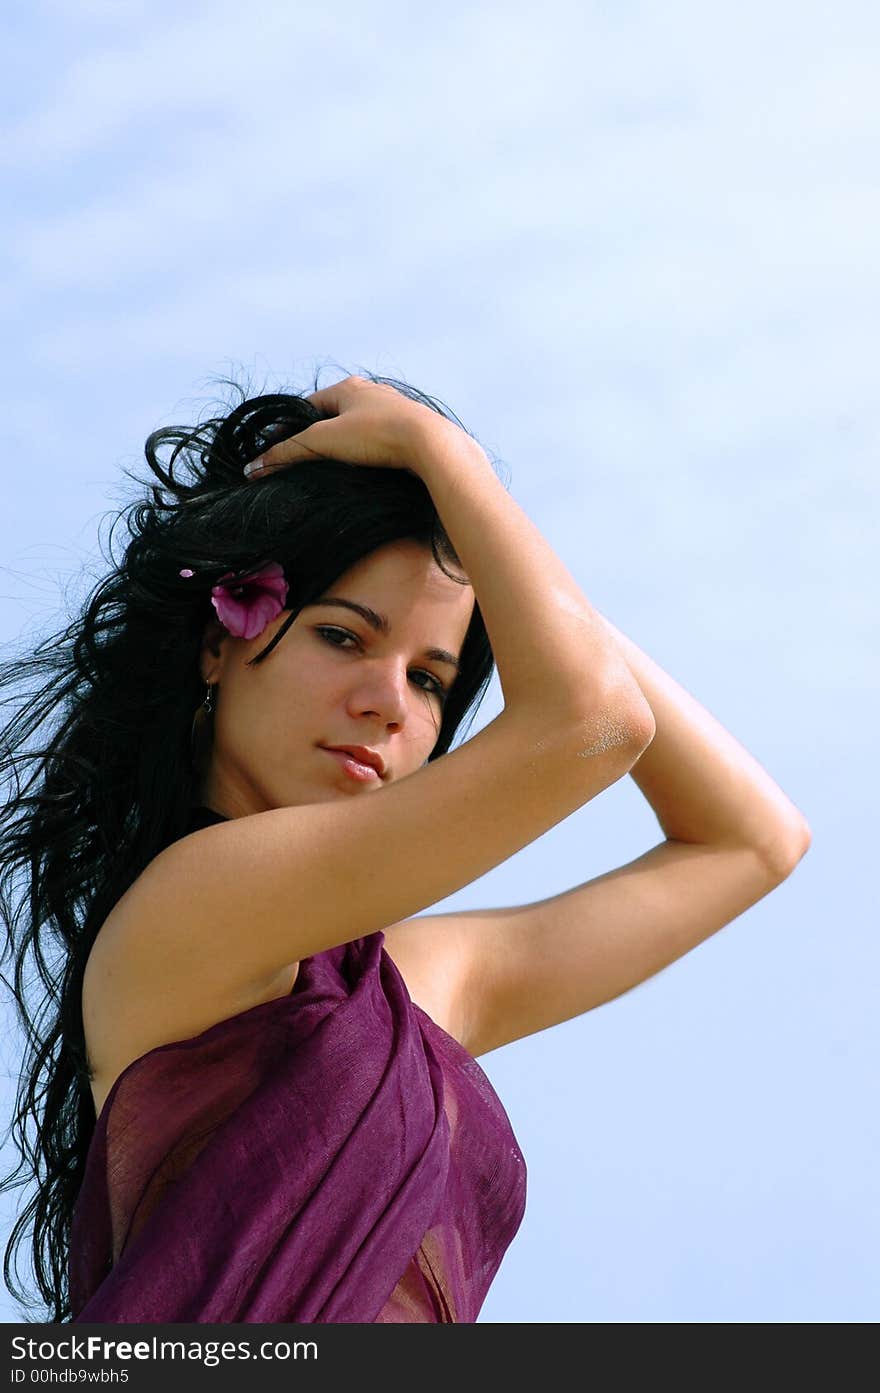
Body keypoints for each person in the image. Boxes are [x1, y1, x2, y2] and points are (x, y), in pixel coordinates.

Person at [0, 371, 810, 1324]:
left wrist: (507, 560)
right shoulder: (197, 899)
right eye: (343, 637)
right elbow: (594, 720)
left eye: (431, 676)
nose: (389, 700)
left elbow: (752, 840)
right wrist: (446, 461)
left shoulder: (400, 985)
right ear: (215, 648)